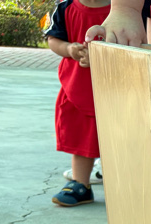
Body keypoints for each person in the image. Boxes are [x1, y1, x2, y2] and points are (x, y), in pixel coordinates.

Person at [46, 0, 112, 207]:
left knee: (122, 139)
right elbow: (53, 39)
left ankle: (126, 185)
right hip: (79, 87)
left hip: (116, 87)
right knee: (83, 139)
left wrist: (103, 56)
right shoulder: (66, 9)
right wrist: (69, 49)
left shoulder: (125, 7)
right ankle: (81, 184)